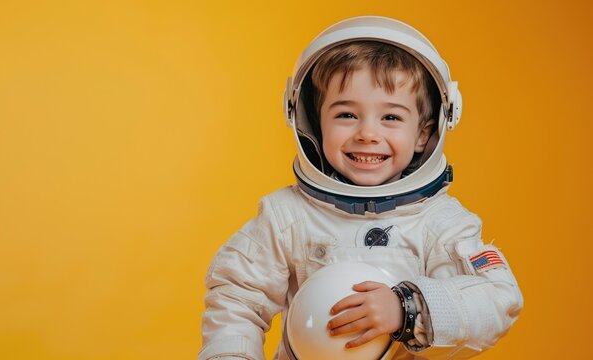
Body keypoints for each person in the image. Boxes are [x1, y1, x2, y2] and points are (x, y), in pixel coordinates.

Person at [199, 16, 523, 360]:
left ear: (424, 135)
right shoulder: (287, 217)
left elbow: (496, 300)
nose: (367, 133)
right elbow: (237, 298)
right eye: (346, 115)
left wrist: (408, 308)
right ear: (312, 122)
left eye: (391, 117)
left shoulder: (441, 223)